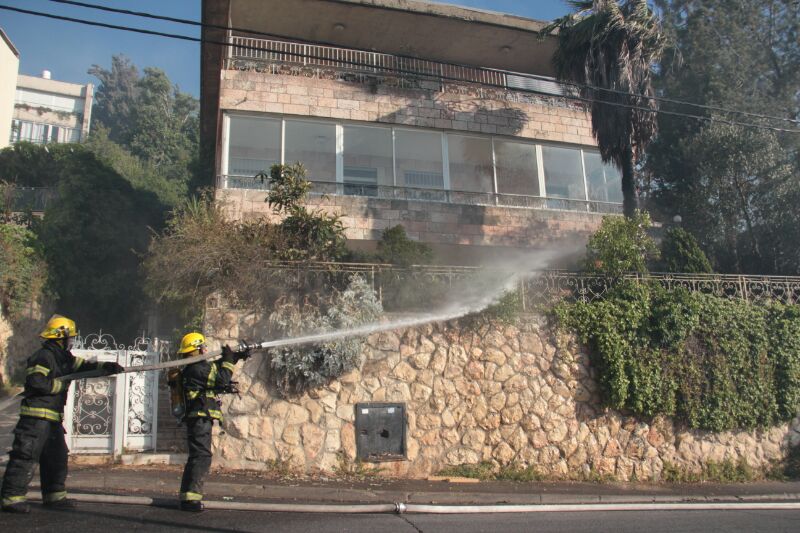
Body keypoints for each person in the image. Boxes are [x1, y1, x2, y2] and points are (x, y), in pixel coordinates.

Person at [1, 315, 124, 514]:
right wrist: (59, 385)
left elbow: (84, 367)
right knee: (26, 456)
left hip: (52, 419)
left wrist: (106, 367)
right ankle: (11, 498)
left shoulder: (64, 358)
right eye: (70, 337)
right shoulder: (44, 356)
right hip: (36, 419)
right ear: (61, 337)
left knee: (56, 458)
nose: (72, 341)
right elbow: (36, 381)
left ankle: (54, 497)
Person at [175, 332, 250, 512]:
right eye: (203, 346)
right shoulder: (196, 369)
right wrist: (228, 359)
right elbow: (221, 379)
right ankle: (190, 500)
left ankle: (188, 497)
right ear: (198, 349)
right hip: (199, 418)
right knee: (201, 456)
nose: (206, 349)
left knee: (198, 456)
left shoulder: (196, 368)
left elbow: (215, 369)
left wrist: (235, 357)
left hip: (200, 418)